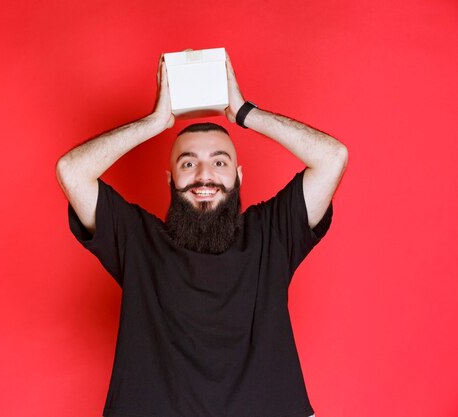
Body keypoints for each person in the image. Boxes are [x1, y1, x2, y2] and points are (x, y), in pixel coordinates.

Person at [56, 53, 348, 417]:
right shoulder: (137, 240)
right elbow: (71, 170)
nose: (204, 176)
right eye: (189, 163)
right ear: (171, 179)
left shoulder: (272, 232)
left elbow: (333, 157)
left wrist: (243, 112)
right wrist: (154, 123)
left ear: (238, 177)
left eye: (220, 162)